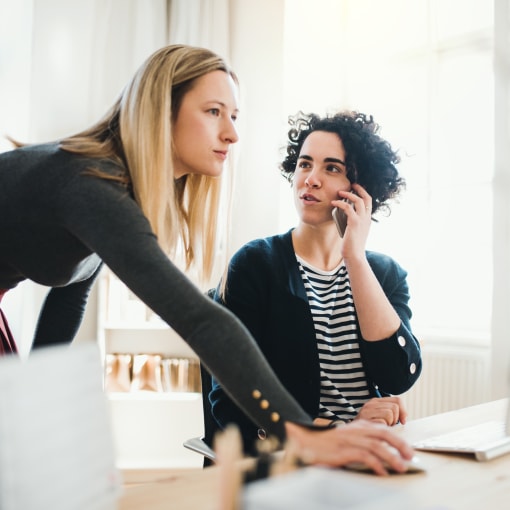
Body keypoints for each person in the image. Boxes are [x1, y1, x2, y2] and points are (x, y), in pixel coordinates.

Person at [0, 46, 414, 475]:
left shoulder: (113, 189)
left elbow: (70, 293)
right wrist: (304, 434)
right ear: (161, 110)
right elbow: (199, 321)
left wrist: (31, 405)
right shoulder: (91, 185)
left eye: (234, 116)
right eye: (214, 111)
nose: (233, 133)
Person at [210, 110, 422, 455]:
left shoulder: (384, 274)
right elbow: (229, 399)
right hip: (292, 460)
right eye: (305, 164)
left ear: (361, 188)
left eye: (332, 168)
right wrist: (339, 432)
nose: (311, 178)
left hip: (363, 455)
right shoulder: (255, 265)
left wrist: (355, 258)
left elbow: (399, 377)